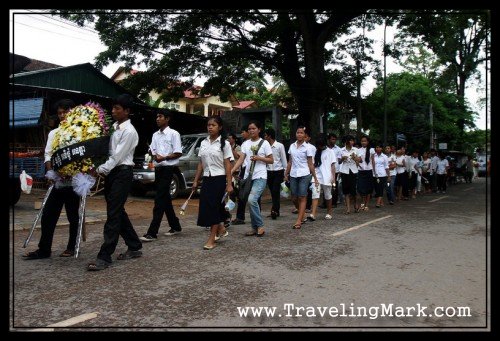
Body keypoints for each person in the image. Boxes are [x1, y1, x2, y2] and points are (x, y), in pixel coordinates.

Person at [87, 94, 142, 271]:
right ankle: (134, 246)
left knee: (113, 214)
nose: (114, 111)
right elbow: (108, 151)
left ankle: (105, 256)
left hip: (122, 173)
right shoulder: (114, 128)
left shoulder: (129, 131)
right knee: (117, 211)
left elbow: (118, 156)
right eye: (113, 108)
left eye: (117, 108)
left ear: (127, 111)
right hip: (112, 173)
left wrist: (100, 170)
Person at [23, 99, 80, 260]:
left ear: (72, 112)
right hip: (57, 181)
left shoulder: (80, 132)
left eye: (65, 112)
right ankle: (44, 249)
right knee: (48, 214)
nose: (62, 115)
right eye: (60, 113)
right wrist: (50, 172)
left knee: (73, 216)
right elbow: (48, 154)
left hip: (74, 181)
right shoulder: (53, 133)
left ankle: (72, 246)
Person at [140, 109, 183, 242]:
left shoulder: (174, 134)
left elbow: (178, 152)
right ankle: (175, 226)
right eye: (157, 116)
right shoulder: (155, 135)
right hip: (158, 169)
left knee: (159, 199)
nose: (157, 119)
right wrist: (153, 154)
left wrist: (164, 157)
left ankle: (152, 232)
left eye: (160, 116)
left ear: (167, 119)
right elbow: (152, 149)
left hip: (169, 169)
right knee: (165, 199)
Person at [192, 116, 233, 250]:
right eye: (209, 125)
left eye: (213, 125)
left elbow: (227, 164)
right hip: (207, 178)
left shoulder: (224, 144)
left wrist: (229, 183)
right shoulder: (203, 142)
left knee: (213, 207)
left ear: (220, 127)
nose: (210, 127)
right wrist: (196, 180)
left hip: (219, 178)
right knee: (206, 206)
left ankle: (211, 239)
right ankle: (220, 228)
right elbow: (201, 163)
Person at [231, 121, 273, 236]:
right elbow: (241, 159)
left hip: (260, 176)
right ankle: (254, 228)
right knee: (249, 201)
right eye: (249, 129)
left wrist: (259, 158)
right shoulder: (245, 144)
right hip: (248, 177)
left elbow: (271, 160)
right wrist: (232, 170)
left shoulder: (264, 143)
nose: (251, 130)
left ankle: (259, 226)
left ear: (259, 129)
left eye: (253, 128)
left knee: (252, 200)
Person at [284, 126, 318, 229]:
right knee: (294, 197)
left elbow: (310, 163)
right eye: (298, 132)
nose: (299, 134)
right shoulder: (292, 146)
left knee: (302, 196)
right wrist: (286, 173)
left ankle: (299, 220)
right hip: (294, 174)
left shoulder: (308, 148)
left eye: (301, 133)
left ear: (305, 135)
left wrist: (315, 177)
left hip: (305, 174)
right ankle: (302, 214)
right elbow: (290, 161)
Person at [308, 136, 336, 221]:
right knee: (315, 194)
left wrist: (333, 178)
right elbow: (312, 165)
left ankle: (329, 212)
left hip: (327, 176)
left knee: (327, 195)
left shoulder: (330, 152)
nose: (320, 147)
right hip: (317, 176)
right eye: (319, 145)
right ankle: (313, 214)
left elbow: (333, 166)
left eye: (321, 145)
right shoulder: (315, 152)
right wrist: (314, 177)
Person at [264, 128, 287, 220]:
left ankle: (275, 210)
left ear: (269, 136)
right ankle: (275, 209)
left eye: (266, 135)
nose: (265, 137)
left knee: (275, 190)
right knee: (272, 191)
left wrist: (286, 173)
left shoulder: (279, 146)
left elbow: (283, 159)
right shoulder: (265, 146)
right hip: (269, 171)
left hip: (278, 171)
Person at [339, 135, 360, 214]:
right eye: (350, 141)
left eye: (353, 141)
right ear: (346, 142)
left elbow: (360, 160)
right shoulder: (341, 150)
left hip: (353, 171)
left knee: (353, 190)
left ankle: (355, 204)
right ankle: (348, 208)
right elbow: (339, 162)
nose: (352, 142)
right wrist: (342, 158)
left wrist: (354, 157)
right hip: (344, 171)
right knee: (346, 190)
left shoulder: (356, 150)